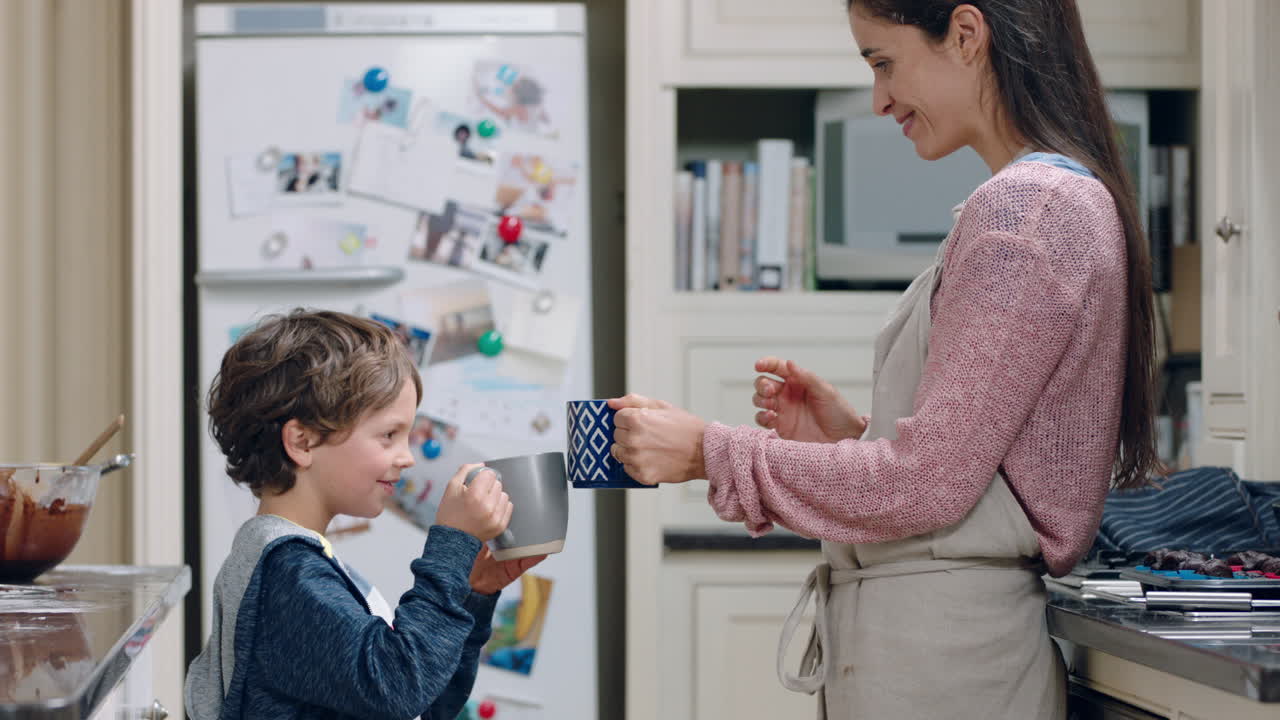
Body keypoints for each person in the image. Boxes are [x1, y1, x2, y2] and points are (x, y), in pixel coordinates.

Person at [608, 1, 1158, 717]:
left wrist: (707, 452)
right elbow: (975, 470)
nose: (879, 99)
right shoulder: (1047, 203)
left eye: (883, 62)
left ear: (965, 35)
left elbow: (923, 486)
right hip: (942, 648)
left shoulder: (1026, 212)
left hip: (944, 661)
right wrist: (855, 437)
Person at [184, 309, 544, 719]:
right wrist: (452, 545)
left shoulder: (298, 563)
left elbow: (424, 703)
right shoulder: (287, 575)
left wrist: (472, 592)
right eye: (389, 435)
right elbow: (400, 686)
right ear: (302, 441)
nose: (407, 458)